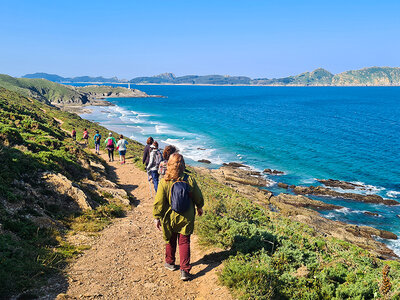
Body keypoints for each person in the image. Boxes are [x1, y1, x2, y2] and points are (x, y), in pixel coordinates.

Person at [153, 153, 204, 281]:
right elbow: (198, 196)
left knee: (170, 239)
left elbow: (159, 201)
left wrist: (157, 217)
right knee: (184, 242)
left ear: (169, 164)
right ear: (183, 165)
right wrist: (199, 206)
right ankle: (185, 271)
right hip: (186, 217)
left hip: (169, 217)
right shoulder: (189, 179)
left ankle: (170, 263)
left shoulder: (165, 181)